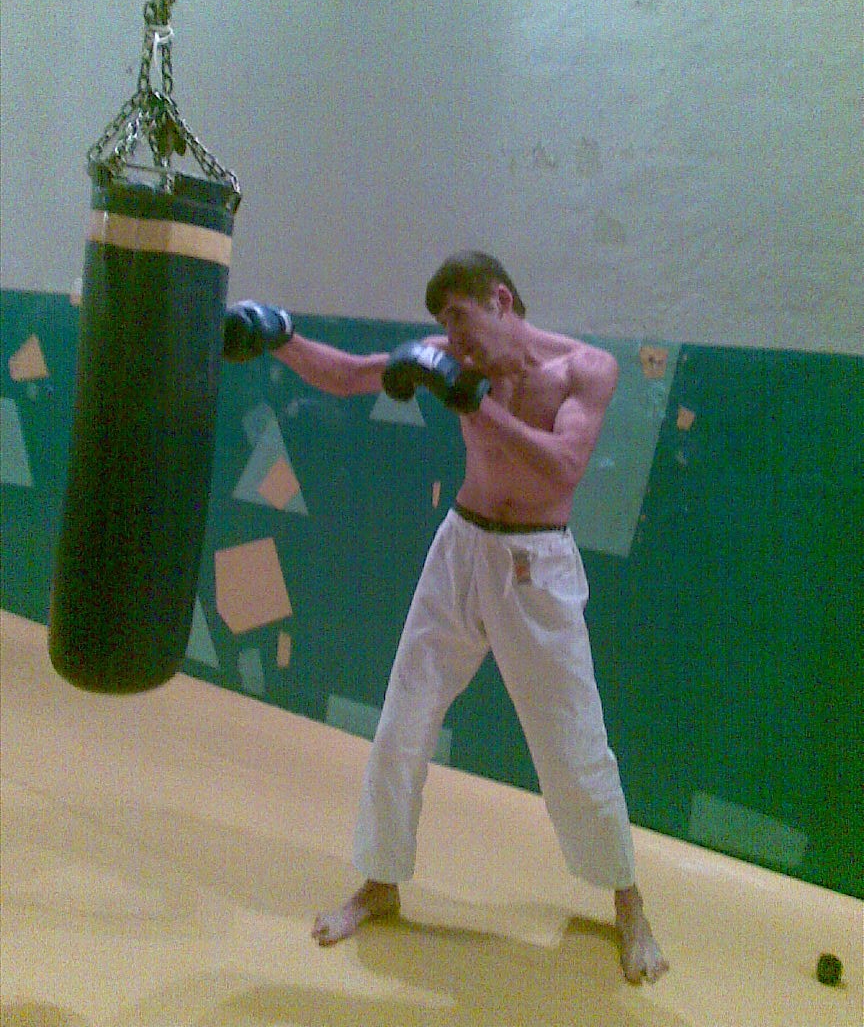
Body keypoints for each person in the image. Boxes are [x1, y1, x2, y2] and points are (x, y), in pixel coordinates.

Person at [223, 251, 669, 984]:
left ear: (501, 300)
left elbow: (563, 466)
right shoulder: (454, 360)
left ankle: (628, 899)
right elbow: (349, 375)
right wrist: (279, 336)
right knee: (402, 721)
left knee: (574, 744)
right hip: (460, 550)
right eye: (445, 329)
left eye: (461, 319)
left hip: (537, 566)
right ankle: (380, 881)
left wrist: (473, 403)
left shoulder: (585, 370)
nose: (454, 342)